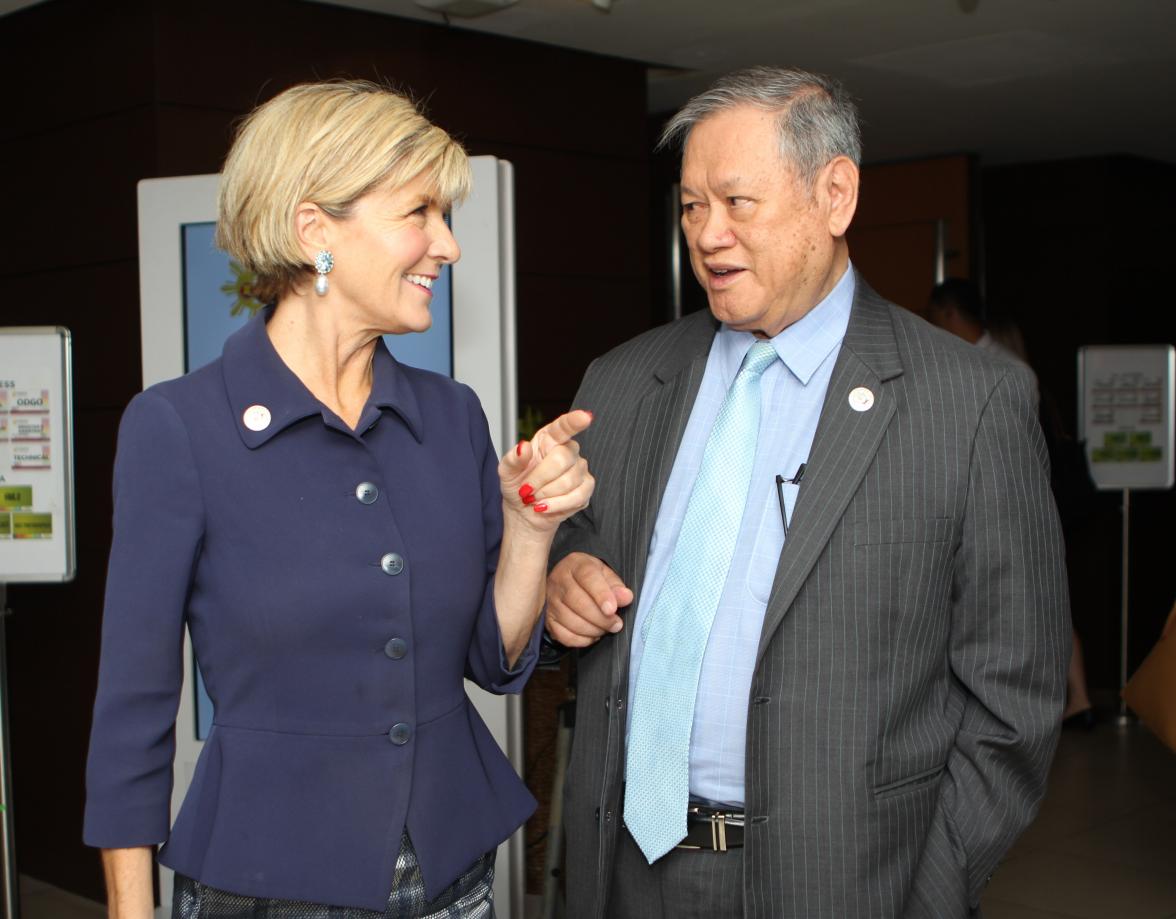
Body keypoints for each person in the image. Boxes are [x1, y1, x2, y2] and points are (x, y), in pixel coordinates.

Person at [545, 67, 1068, 919]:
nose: (707, 234)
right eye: (689, 206)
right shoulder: (626, 379)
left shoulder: (967, 404)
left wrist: (928, 889)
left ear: (835, 195)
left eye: (738, 202)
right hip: (630, 871)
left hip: (852, 883)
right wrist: (564, 575)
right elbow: (581, 547)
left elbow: (1017, 697)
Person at [83, 80, 594, 918]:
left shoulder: (450, 414)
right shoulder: (178, 428)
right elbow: (131, 710)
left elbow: (493, 664)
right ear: (315, 229)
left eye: (447, 217)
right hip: (266, 886)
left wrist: (531, 529)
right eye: (420, 214)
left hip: (452, 876)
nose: (447, 246)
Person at [927, 277, 1040, 406]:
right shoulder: (944, 362)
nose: (930, 325)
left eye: (931, 316)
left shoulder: (1013, 370)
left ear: (949, 313)